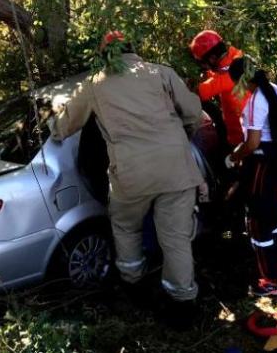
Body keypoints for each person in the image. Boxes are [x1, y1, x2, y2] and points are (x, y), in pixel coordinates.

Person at [48, 31, 203, 329]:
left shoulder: (95, 84)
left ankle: (134, 284)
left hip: (132, 174)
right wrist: (183, 136)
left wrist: (52, 123)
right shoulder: (160, 72)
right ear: (133, 49)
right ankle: (182, 304)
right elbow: (194, 112)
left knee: (125, 225)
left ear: (106, 55)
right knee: (176, 239)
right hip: (177, 168)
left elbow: (66, 125)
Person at [225, 57, 277, 296]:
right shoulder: (273, 89)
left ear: (241, 82)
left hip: (262, 162)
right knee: (273, 212)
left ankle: (271, 279)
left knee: (258, 220)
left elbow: (251, 143)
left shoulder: (255, 102)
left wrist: (233, 157)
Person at [190, 30, 251, 148]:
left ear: (212, 58)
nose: (203, 67)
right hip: (252, 130)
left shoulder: (226, 78)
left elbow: (197, 93)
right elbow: (219, 72)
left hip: (243, 141)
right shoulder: (236, 55)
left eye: (202, 63)